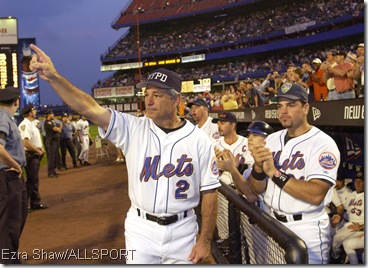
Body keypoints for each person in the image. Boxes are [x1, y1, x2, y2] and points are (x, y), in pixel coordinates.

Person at [30, 44, 221, 264]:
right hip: (141, 230)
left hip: (183, 232)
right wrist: (54, 77)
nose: (148, 100)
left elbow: (210, 192)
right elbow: (88, 108)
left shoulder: (198, 139)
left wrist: (205, 240)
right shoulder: (133, 128)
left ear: (176, 100)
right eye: (146, 94)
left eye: (156, 95)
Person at [248, 83, 340, 264]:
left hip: (306, 228)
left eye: (290, 105)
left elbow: (315, 194)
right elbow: (257, 189)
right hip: (272, 223)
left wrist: (274, 173)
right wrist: (258, 169)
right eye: (280, 106)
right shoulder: (272, 139)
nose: (283, 111)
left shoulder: (323, 143)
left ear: (306, 108)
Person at [0, 87, 28, 264]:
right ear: (16, 101)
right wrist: (15, 164)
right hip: (7, 176)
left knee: (15, 220)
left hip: (10, 176)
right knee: (9, 223)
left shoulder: (6, 117)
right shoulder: (3, 117)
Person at [18, 104, 48, 212]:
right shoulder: (24, 125)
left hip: (35, 154)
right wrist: (37, 150)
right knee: (31, 181)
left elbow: (36, 140)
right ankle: (24, 205)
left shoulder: (32, 124)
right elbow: (25, 142)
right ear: (30, 112)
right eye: (34, 110)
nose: (35, 112)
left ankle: (35, 203)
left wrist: (41, 148)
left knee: (34, 179)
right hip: (30, 155)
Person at [212, 112, 254, 187]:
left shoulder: (247, 143)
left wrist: (236, 166)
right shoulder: (215, 146)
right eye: (218, 124)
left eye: (222, 123)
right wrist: (216, 164)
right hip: (223, 189)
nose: (219, 126)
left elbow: (252, 168)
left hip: (244, 188)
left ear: (232, 125)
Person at [331, 170, 364, 264]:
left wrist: (362, 227)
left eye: (361, 181)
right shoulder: (351, 195)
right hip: (348, 223)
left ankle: (336, 259)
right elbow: (346, 211)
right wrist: (339, 216)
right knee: (331, 236)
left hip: (358, 226)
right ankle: (342, 258)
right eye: (356, 180)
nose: (357, 183)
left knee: (335, 241)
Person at [44, 109, 62, 178]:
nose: (53, 115)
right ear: (48, 115)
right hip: (51, 142)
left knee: (54, 157)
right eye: (52, 114)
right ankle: (50, 172)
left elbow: (58, 130)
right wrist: (59, 128)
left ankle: (53, 171)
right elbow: (57, 129)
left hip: (55, 141)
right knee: (51, 158)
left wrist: (58, 129)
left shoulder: (52, 122)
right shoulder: (48, 122)